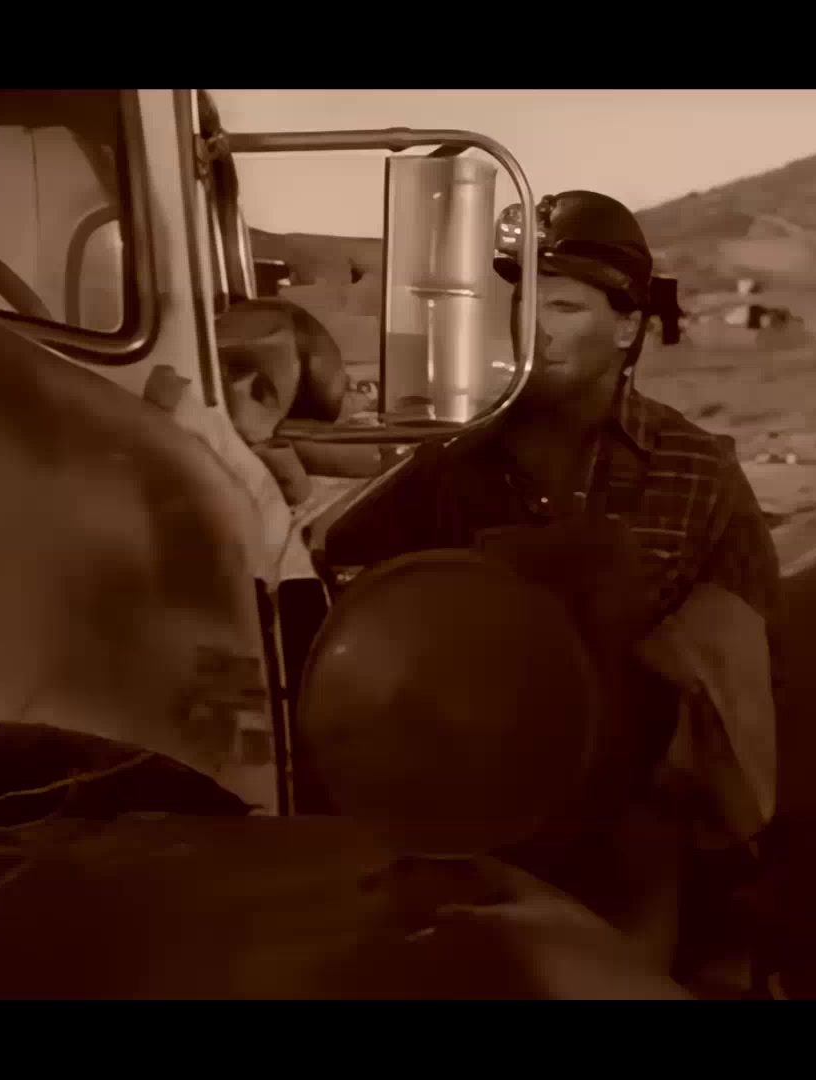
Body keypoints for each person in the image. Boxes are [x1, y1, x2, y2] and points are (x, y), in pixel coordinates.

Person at [315, 190, 782, 997]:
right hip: (474, 815)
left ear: (627, 328)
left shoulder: (697, 470)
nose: (535, 327)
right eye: (525, 304)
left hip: (640, 826)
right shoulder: (449, 465)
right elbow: (360, 600)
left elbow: (747, 678)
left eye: (564, 307)